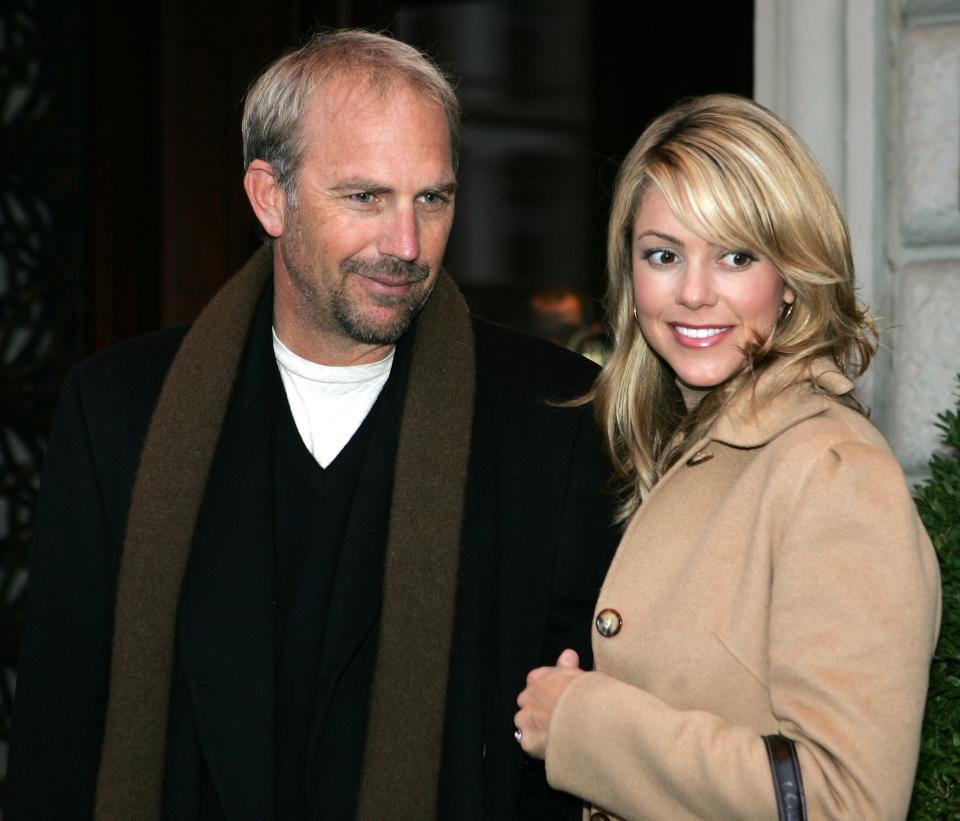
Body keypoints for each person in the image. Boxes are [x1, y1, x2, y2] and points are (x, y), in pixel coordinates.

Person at [6, 30, 619, 821]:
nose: (406, 245)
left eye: (432, 198)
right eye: (366, 197)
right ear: (270, 197)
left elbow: (575, 745)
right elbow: (58, 738)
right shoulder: (122, 411)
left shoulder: (556, 415)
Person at [514, 94, 941, 820]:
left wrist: (583, 724)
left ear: (792, 277)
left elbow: (847, 803)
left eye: (736, 255)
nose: (693, 292)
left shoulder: (833, 473)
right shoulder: (677, 449)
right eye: (663, 254)